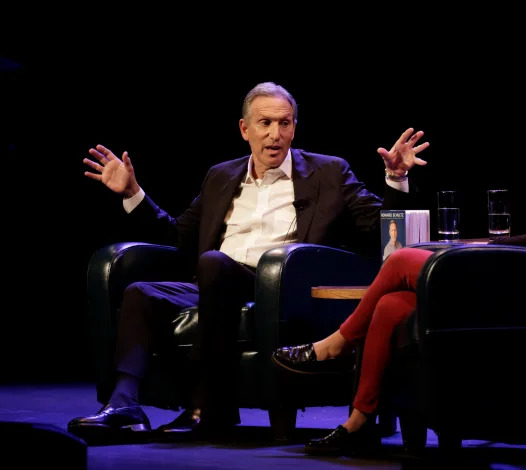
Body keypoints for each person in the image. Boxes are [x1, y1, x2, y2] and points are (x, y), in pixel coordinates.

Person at [272, 83, 526, 456]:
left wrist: (492, 247)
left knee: (401, 259)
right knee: (390, 306)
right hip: (524, 285)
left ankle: (336, 344)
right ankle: (359, 421)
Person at [68, 81, 430, 442]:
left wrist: (396, 179)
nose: (275, 135)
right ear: (245, 129)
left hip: (280, 287)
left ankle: (208, 409)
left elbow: (378, 227)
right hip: (215, 283)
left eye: (284, 123)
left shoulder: (329, 172)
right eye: (265, 123)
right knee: (141, 293)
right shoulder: (221, 176)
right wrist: (133, 194)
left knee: (212, 263)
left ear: (294, 128)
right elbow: (179, 237)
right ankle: (123, 403)